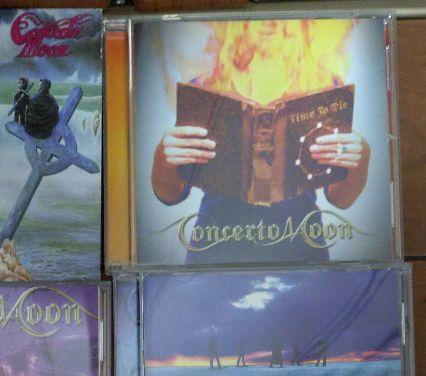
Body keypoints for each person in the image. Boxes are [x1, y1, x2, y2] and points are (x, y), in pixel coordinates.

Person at [150, 20, 370, 264]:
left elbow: (340, 199)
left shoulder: (322, 85)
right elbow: (171, 196)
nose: (270, 22)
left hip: (300, 250)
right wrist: (164, 157)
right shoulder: (206, 86)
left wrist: (359, 160)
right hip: (216, 250)